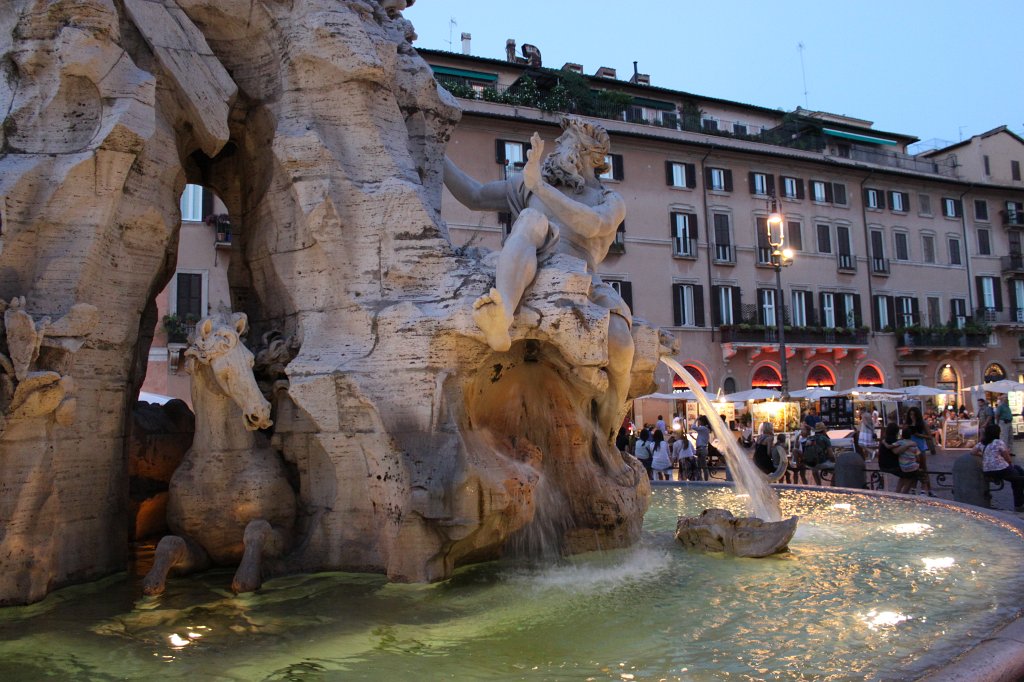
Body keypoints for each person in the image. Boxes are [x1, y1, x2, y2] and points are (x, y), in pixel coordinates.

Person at [443, 116, 630, 445]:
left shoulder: (608, 200)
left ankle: (608, 433)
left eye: (567, 141)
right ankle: (501, 318)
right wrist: (432, 149)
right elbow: (473, 194)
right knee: (531, 218)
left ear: (588, 153)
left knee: (622, 345)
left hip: (585, 278)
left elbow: (594, 225)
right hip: (532, 263)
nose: (557, 148)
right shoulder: (531, 182)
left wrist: (539, 187)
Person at [972, 423, 1024, 512]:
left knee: (1018, 469)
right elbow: (1007, 457)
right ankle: (1018, 504)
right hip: (1001, 469)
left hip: (988, 470)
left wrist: (984, 454)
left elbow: (972, 452)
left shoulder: (982, 443)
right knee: (1018, 480)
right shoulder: (998, 442)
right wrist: (1010, 463)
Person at [905, 406, 936, 496]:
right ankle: (914, 489)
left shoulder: (922, 424)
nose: (912, 417)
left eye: (914, 415)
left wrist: (919, 435)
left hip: (920, 447)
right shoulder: (908, 423)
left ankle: (928, 489)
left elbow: (929, 436)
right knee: (914, 469)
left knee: (923, 468)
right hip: (911, 448)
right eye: (910, 415)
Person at [894, 426, 927, 495]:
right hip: (912, 466)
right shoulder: (913, 444)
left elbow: (892, 445)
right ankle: (922, 492)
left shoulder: (900, 443)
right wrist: (919, 464)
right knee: (923, 476)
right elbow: (918, 457)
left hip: (902, 466)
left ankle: (913, 490)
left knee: (912, 475)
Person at [694, 415, 711, 481]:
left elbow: (693, 427)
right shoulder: (705, 429)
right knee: (701, 465)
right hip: (702, 448)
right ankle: (701, 479)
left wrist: (696, 419)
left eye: (699, 420)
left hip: (701, 449)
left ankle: (704, 480)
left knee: (702, 466)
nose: (698, 422)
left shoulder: (703, 428)